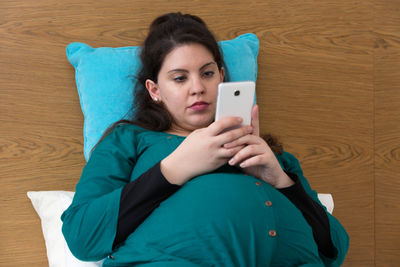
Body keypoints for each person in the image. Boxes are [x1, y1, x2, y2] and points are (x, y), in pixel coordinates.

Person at [61, 12, 349, 267]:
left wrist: (282, 182)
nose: (198, 88)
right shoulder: (130, 140)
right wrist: (174, 169)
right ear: (154, 90)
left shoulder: (272, 156)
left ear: (222, 77)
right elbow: (82, 237)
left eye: (207, 73)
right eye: (179, 78)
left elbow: (335, 250)